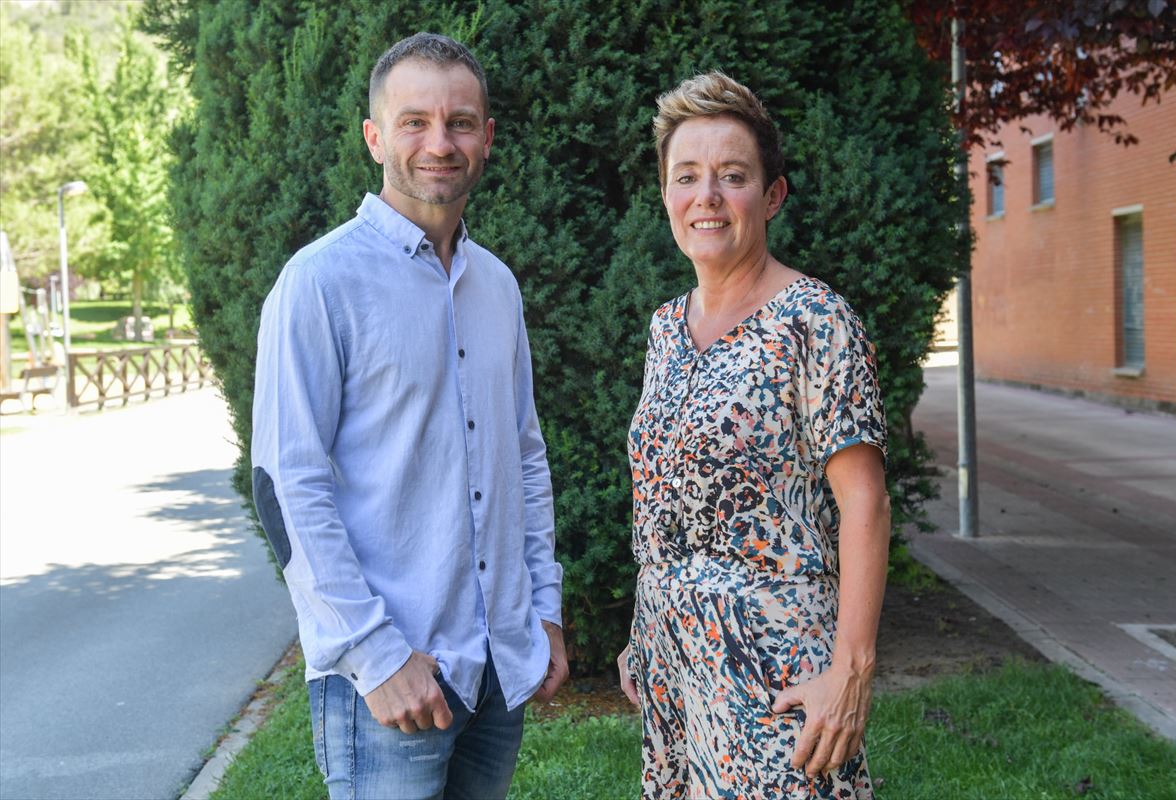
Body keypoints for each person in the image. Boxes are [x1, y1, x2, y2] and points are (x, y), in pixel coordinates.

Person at [251, 32, 567, 800]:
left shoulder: (496, 286)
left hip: (493, 671)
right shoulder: (319, 283)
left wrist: (544, 610)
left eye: (460, 122)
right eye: (414, 121)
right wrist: (375, 656)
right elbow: (284, 484)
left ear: (487, 139)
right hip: (387, 688)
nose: (440, 143)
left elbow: (522, 456)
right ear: (374, 137)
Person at [618, 71, 890, 799]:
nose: (706, 197)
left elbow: (865, 503)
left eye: (731, 176)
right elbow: (666, 499)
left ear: (771, 196)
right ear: (667, 196)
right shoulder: (664, 330)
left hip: (778, 679)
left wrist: (850, 673)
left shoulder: (818, 322)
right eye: (687, 177)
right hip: (678, 677)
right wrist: (644, 627)